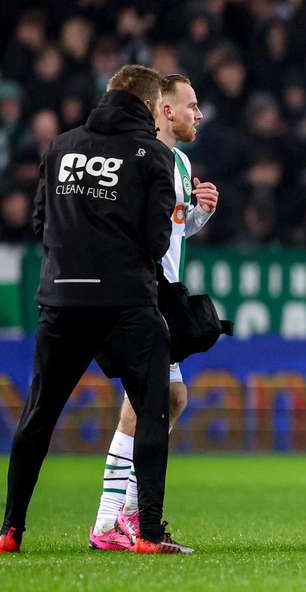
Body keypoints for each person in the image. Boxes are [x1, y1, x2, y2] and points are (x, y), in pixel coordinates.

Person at [0, 65, 192, 554]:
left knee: (38, 414)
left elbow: (41, 221)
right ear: (152, 107)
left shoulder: (61, 146)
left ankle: (10, 529)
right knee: (153, 406)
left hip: (61, 299)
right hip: (125, 303)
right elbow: (156, 239)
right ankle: (146, 530)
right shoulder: (152, 154)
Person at [89, 74, 217, 550]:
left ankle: (119, 514)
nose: (198, 114)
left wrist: (200, 213)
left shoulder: (181, 163)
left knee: (172, 397)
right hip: (137, 293)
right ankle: (112, 519)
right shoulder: (139, 158)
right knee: (151, 398)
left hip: (163, 292)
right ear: (165, 110)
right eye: (191, 105)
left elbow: (176, 230)